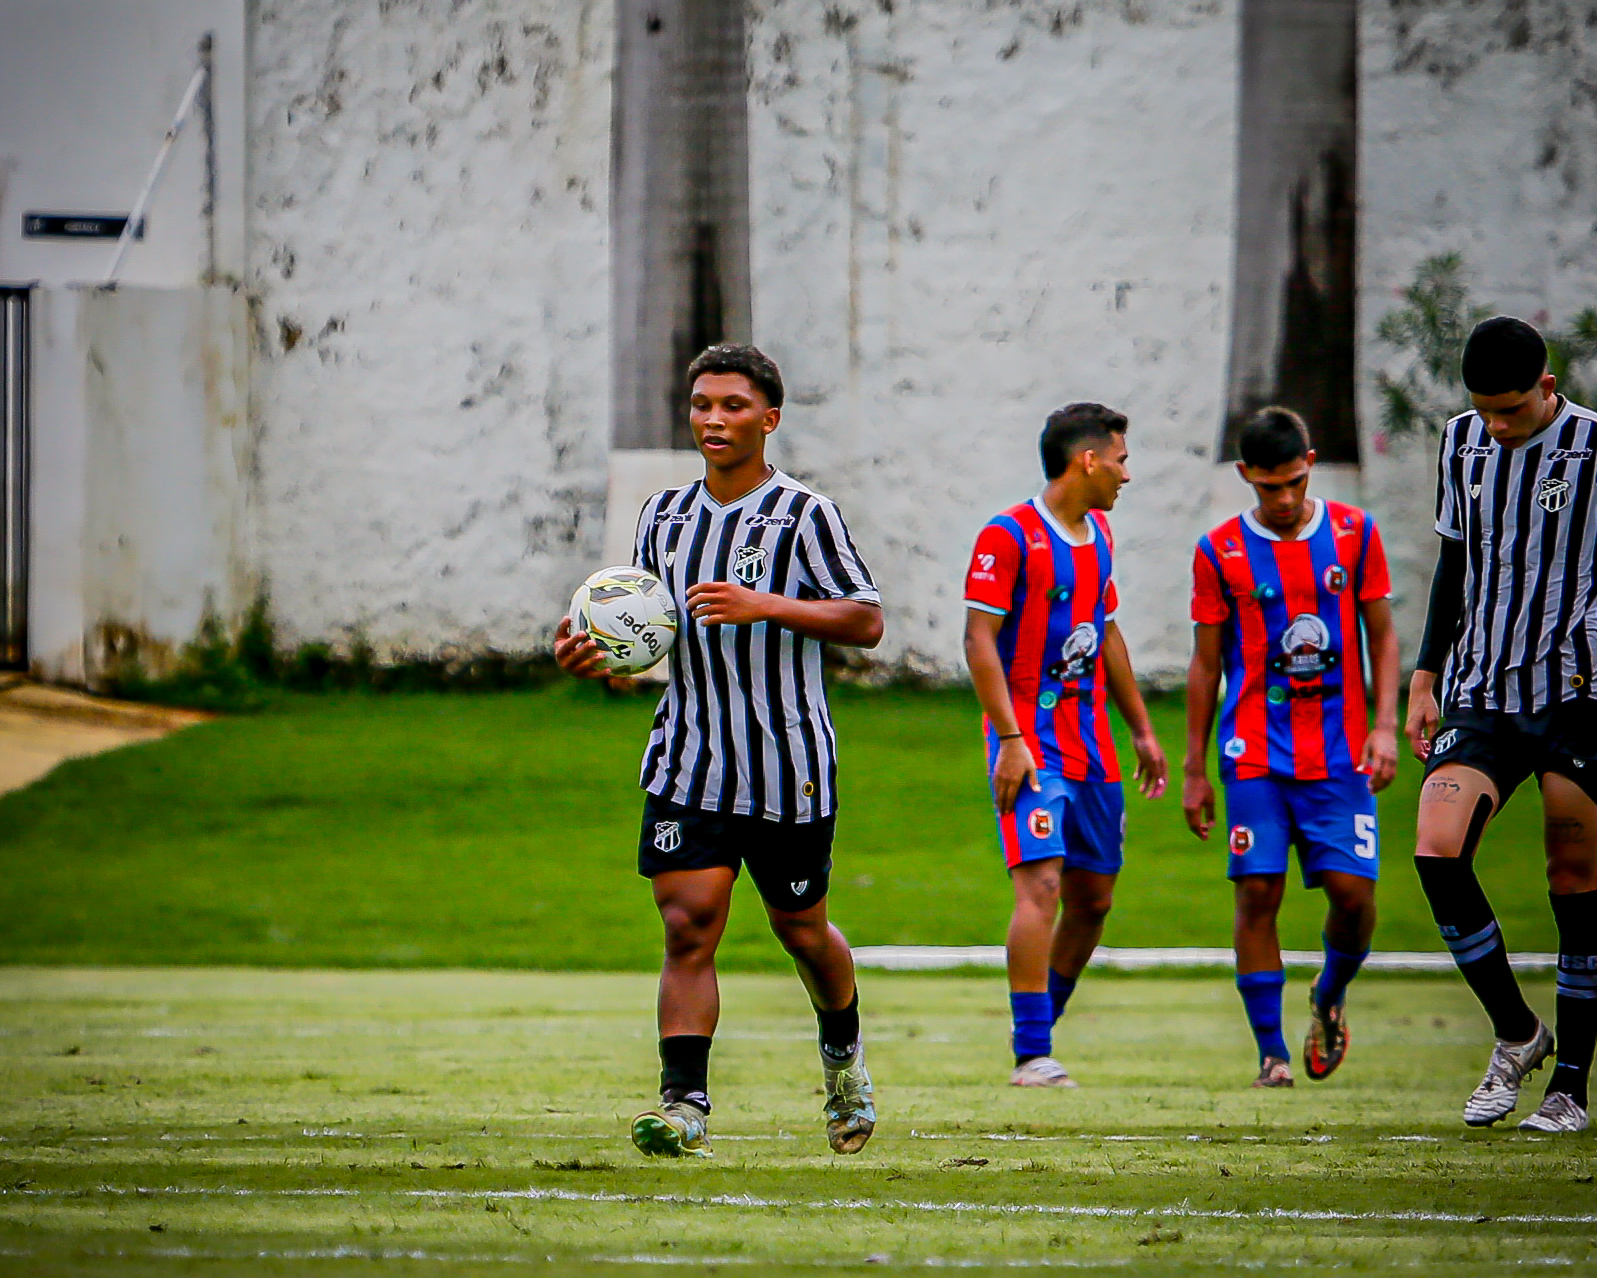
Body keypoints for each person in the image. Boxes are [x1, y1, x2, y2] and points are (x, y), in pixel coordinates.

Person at [554, 344, 883, 1157]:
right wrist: (593, 658)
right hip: (688, 759)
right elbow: (643, 634)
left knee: (801, 930)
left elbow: (866, 620)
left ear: (767, 419)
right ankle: (683, 1103)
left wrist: (765, 603)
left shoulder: (806, 515)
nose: (713, 418)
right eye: (701, 403)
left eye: (732, 405)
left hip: (788, 765)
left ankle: (842, 1061)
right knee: (687, 926)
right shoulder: (662, 516)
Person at [1407, 315, 1597, 1134]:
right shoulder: (1460, 444)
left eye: (1510, 409)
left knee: (1572, 876)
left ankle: (1571, 1088)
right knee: (1435, 848)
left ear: (1546, 388)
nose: (1495, 424)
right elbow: (1453, 560)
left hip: (1575, 692)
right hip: (1480, 688)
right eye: (1482, 409)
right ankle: (1518, 1033)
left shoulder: (1593, 449)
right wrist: (1423, 675)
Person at [1183, 406, 1399, 1088]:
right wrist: (1194, 765)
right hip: (1252, 753)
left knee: (1353, 895)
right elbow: (1204, 663)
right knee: (1256, 892)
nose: (1281, 500)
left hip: (1338, 755)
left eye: (1293, 483)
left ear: (1310, 464)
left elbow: (1383, 636)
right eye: (1267, 487)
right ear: (1246, 476)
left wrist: (1384, 724)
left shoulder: (1355, 535)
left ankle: (1329, 993)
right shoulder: (1218, 551)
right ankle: (1270, 1054)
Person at [963, 403, 1168, 1088]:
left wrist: (1139, 728)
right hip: (1030, 741)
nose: (1125, 474)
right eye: (1120, 459)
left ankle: (1041, 1026)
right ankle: (1032, 1052)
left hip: (1092, 745)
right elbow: (977, 641)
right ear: (1087, 460)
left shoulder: (1099, 534)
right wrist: (1012, 739)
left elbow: (1104, 633)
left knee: (1093, 898)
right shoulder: (1007, 536)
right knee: (1042, 883)